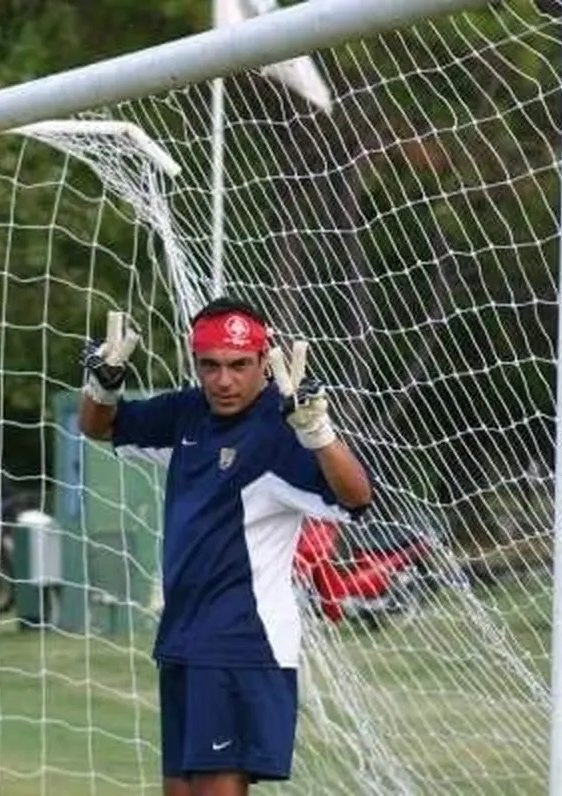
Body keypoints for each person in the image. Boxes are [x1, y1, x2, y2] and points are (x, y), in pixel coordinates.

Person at [78, 297, 373, 796]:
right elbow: (98, 427)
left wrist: (318, 431)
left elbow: (357, 497)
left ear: (265, 360)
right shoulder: (187, 413)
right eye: (209, 366)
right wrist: (102, 384)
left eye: (239, 365)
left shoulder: (279, 433)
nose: (223, 380)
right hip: (183, 641)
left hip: (242, 643)